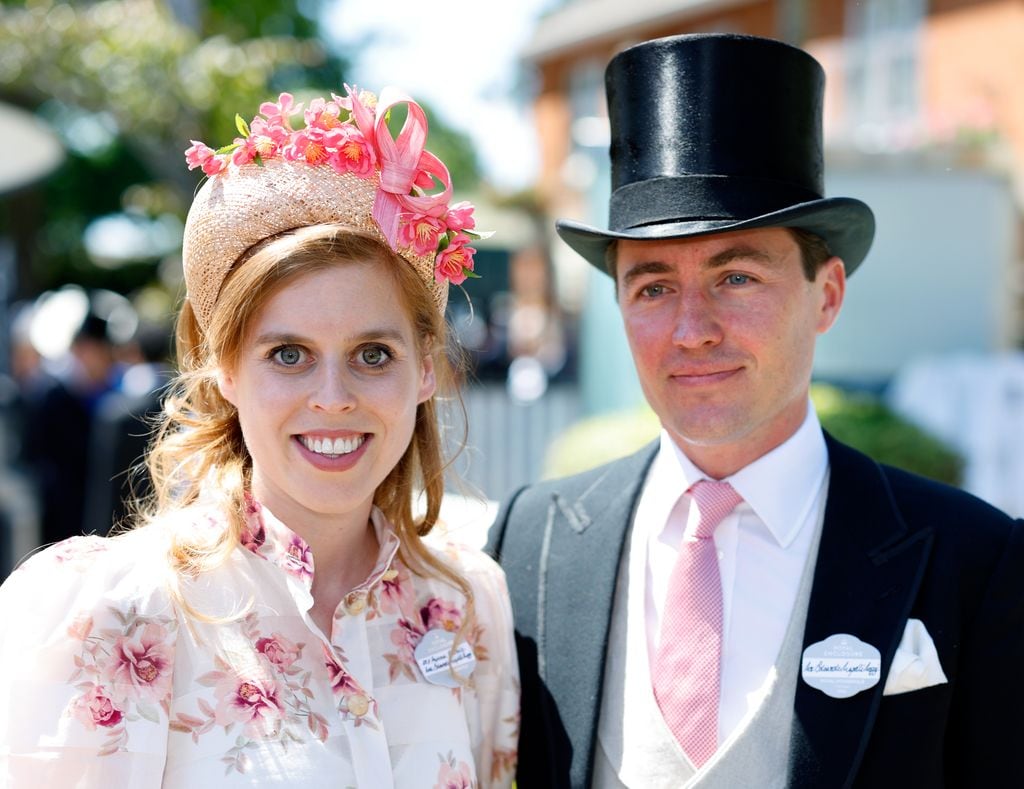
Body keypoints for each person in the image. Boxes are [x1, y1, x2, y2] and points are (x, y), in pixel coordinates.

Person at [486, 33, 1024, 788]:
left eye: (735, 276)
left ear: (827, 293)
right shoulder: (533, 538)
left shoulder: (975, 558)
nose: (691, 328)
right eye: (652, 286)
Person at [0, 85, 519, 787]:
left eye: (373, 354)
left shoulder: (469, 603)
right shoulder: (116, 610)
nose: (333, 399)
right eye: (288, 354)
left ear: (426, 369)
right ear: (225, 372)